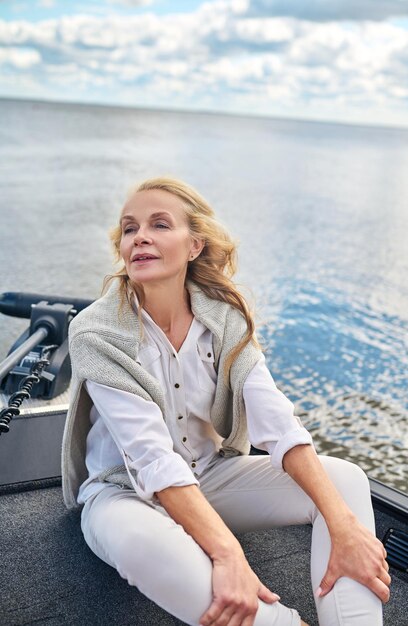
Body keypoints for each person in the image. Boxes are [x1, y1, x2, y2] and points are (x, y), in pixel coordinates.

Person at [61, 176, 390, 626]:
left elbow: (278, 422)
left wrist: (344, 526)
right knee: (140, 543)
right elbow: (152, 458)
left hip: (209, 477)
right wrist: (227, 552)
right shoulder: (96, 332)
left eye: (159, 224)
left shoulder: (225, 319)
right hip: (124, 495)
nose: (140, 237)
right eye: (130, 228)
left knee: (344, 482)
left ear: (194, 245)